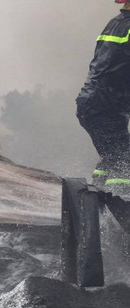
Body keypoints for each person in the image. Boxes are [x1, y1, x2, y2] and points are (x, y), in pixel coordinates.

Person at [77, 0, 130, 186]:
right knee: (124, 161)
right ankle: (121, 206)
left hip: (93, 104)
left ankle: (96, 198)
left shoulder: (113, 24)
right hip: (107, 106)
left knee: (113, 156)